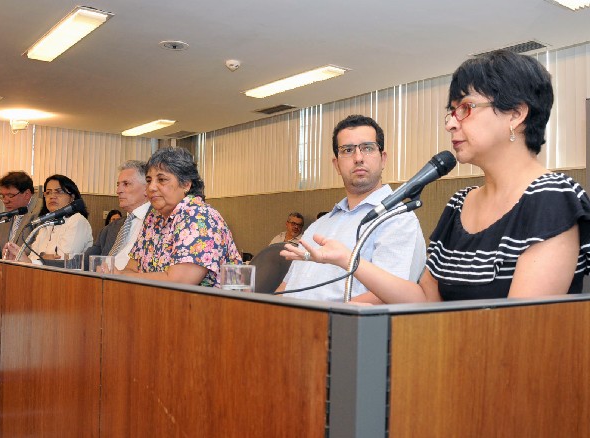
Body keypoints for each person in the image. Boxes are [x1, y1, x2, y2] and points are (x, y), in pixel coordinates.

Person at [282, 50, 590, 303]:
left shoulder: (552, 197)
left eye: (466, 108)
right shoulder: (460, 203)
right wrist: (350, 261)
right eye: (451, 112)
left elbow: (520, 327)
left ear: (516, 114)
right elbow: (424, 301)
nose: (451, 124)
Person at [276, 115, 427, 303]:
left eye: (368, 148)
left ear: (383, 159)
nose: (358, 158)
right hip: (288, 319)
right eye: (347, 150)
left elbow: (391, 296)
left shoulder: (397, 219)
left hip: (335, 321)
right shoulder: (318, 226)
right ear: (337, 165)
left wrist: (317, 318)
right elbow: (287, 286)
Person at [120, 147, 241, 287]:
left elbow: (178, 282)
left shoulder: (200, 217)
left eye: (161, 180)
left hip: (208, 301)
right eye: (148, 180)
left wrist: (124, 276)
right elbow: (131, 268)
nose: (151, 187)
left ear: (186, 184)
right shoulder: (153, 217)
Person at [3, 174, 93, 263]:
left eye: (58, 192)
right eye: (48, 192)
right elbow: (32, 256)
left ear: (72, 197)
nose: (52, 196)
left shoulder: (77, 221)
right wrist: (43, 257)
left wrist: (39, 258)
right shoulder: (46, 223)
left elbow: (64, 261)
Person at [85, 161, 150, 270]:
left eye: (126, 184)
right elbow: (85, 262)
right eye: (118, 185)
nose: (118, 191)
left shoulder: (159, 223)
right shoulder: (110, 228)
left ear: (146, 188)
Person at [0, 171, 42, 259]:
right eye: (3, 196)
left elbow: (39, 249)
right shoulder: (6, 217)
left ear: (27, 194)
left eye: (10, 195)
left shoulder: (41, 213)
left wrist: (13, 254)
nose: (5, 201)